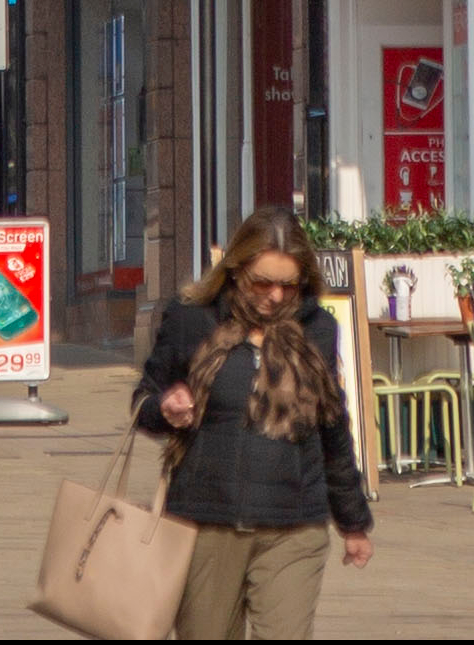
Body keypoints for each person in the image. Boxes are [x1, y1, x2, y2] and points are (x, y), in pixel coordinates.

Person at [129, 215, 374, 639]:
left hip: (294, 527)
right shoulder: (193, 320)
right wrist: (164, 406)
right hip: (206, 524)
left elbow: (332, 427)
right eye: (262, 282)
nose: (275, 296)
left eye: (289, 285)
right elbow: (144, 399)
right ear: (236, 269)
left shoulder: (317, 329)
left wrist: (353, 523)